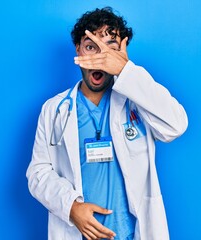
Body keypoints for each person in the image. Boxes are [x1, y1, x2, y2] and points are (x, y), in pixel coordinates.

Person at [26, 7, 188, 240]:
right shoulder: (54, 109)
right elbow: (38, 172)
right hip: (77, 233)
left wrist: (125, 70)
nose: (99, 58)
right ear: (78, 49)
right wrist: (71, 207)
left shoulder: (137, 100)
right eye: (91, 47)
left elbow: (176, 125)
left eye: (109, 48)